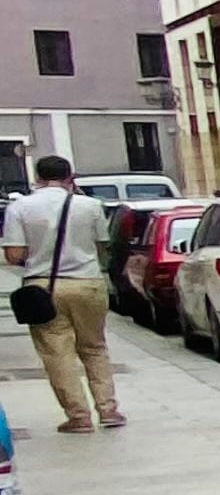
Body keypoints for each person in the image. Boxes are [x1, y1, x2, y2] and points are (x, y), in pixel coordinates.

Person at [4, 159, 122, 433]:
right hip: (88, 283)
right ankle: (108, 410)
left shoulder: (19, 207)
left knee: (57, 353)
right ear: (70, 176)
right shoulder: (90, 206)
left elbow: (14, 255)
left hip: (43, 287)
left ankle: (78, 416)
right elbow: (103, 246)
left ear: (37, 176)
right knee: (95, 347)